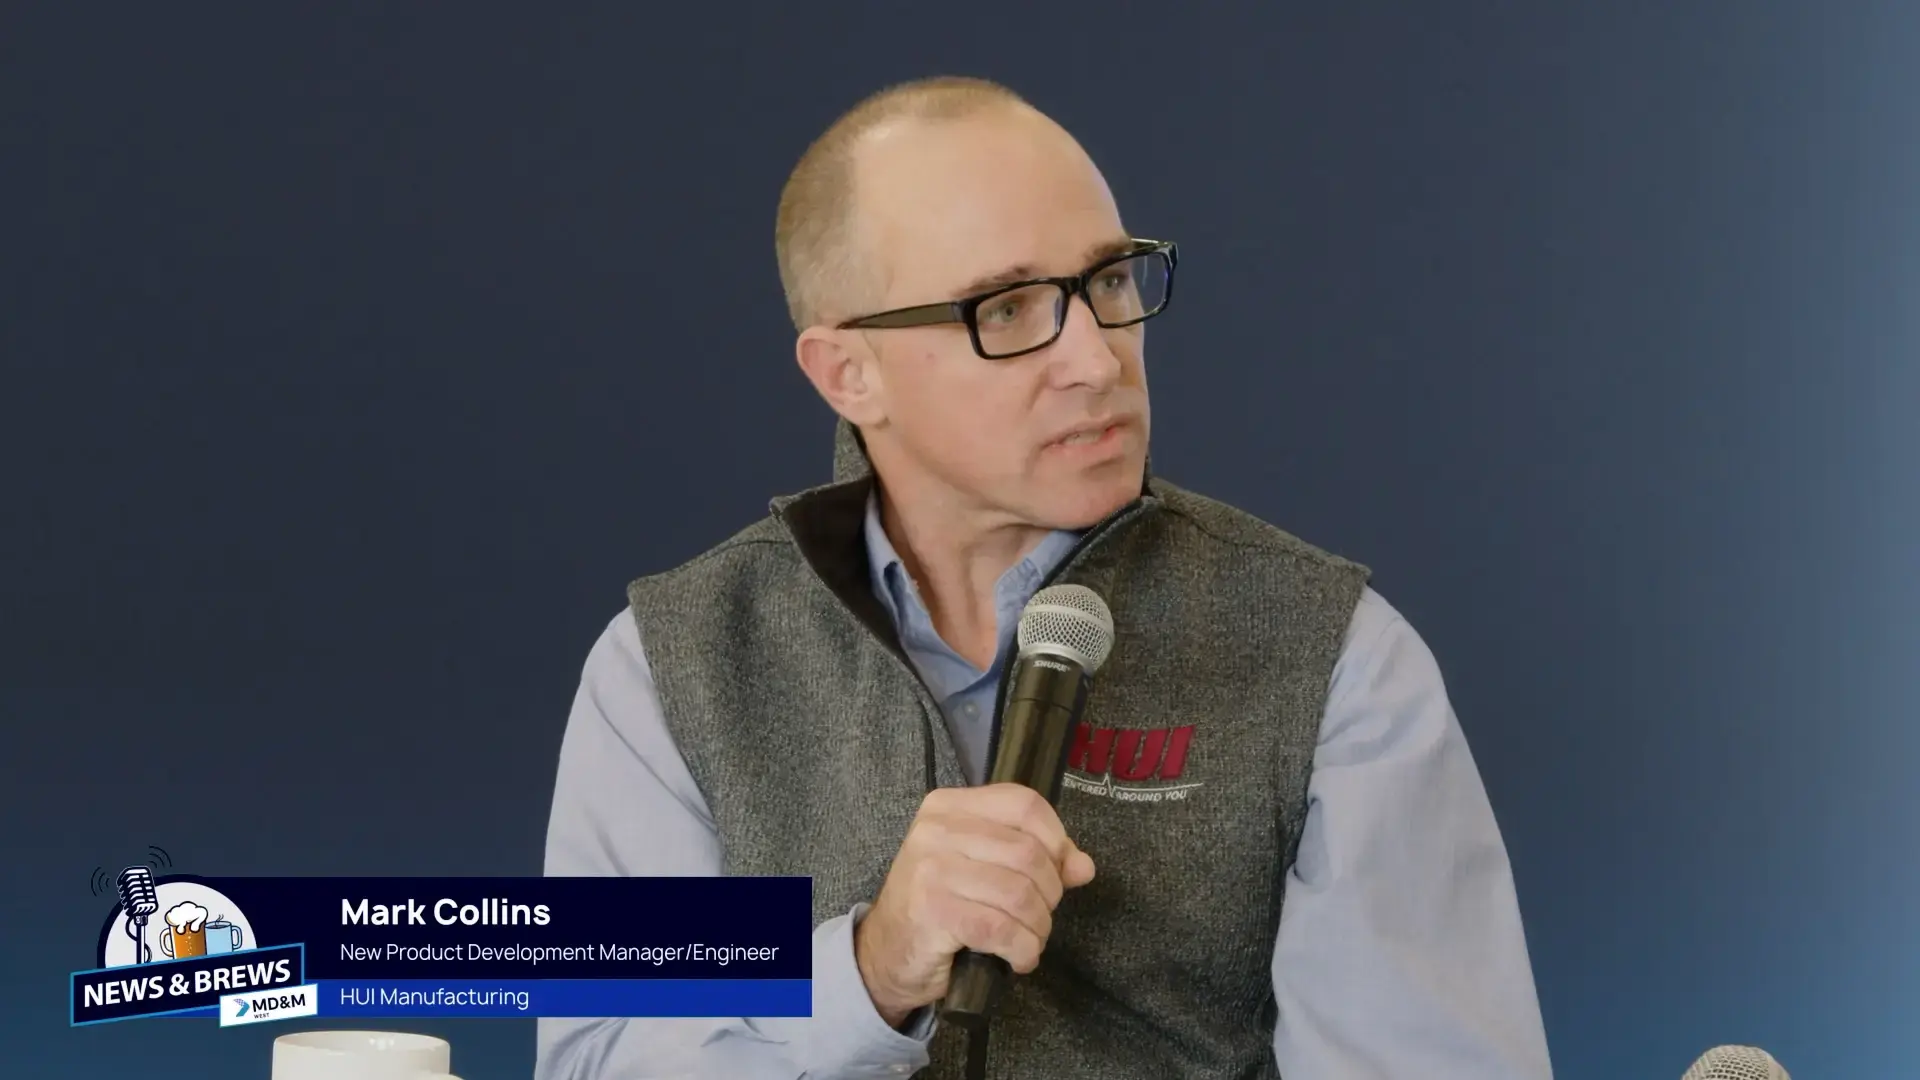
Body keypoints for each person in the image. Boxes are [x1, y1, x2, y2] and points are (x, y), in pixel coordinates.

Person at [536, 76, 1554, 1079]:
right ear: (849, 373)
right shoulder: (674, 665)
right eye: (1009, 308)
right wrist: (870, 972)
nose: (1096, 359)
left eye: (1110, 282)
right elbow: (609, 1054)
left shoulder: (1334, 658)